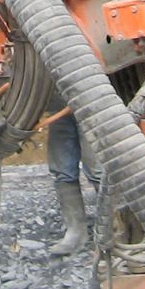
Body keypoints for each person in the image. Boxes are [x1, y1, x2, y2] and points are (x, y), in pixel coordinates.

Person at [46, 108, 94, 255]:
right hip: (57, 105)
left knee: (99, 171)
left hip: (92, 102)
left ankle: (117, 233)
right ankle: (76, 232)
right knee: (62, 171)